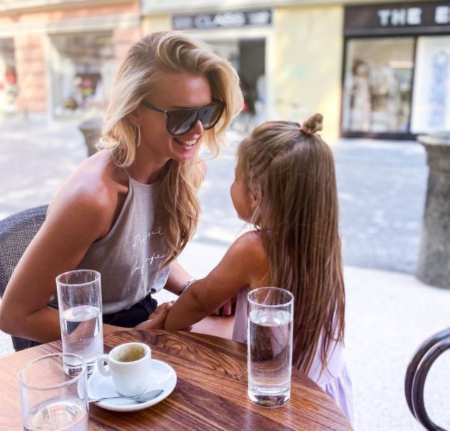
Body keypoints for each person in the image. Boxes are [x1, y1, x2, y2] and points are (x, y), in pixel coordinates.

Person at [0, 31, 243, 344]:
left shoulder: (182, 169)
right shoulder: (93, 199)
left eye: (206, 113)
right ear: (135, 110)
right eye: (181, 117)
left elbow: (141, 254)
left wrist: (194, 288)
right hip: (70, 341)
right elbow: (15, 316)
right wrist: (133, 338)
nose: (198, 130)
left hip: (137, 318)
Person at [163, 114, 353, 421]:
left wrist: (166, 325)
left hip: (276, 396)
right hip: (325, 394)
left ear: (256, 193)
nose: (231, 186)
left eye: (236, 177)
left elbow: (199, 298)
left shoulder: (254, 248)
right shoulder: (325, 240)